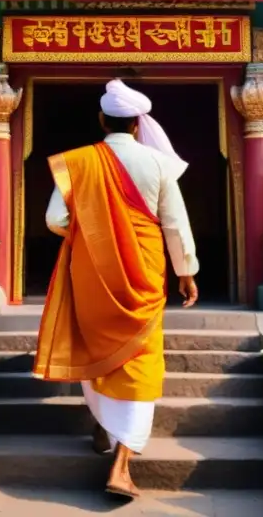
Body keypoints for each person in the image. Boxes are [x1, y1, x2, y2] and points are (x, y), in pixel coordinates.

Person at [33, 80, 199, 500]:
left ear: (103, 120)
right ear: (137, 123)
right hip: (145, 269)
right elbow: (175, 224)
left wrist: (95, 234)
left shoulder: (78, 161)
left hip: (92, 269)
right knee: (140, 357)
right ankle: (121, 465)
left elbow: (55, 218)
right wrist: (186, 270)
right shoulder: (159, 163)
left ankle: (105, 429)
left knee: (96, 346)